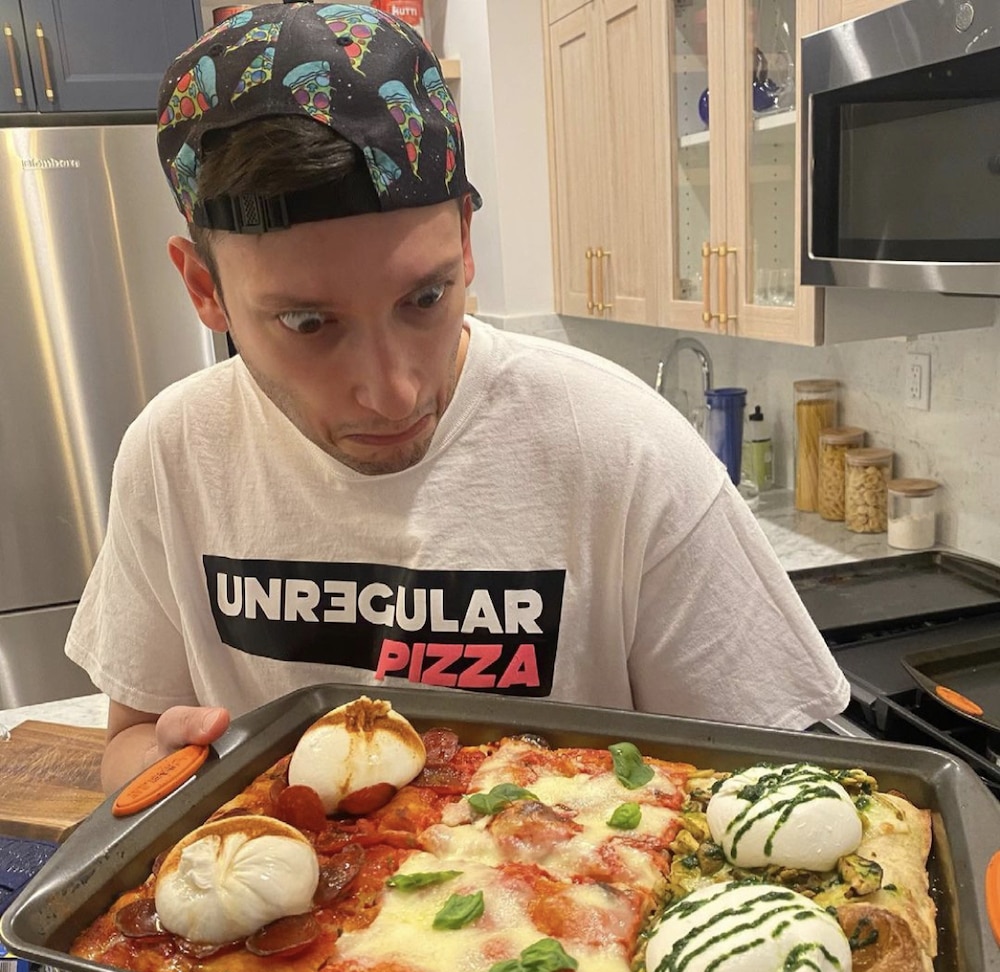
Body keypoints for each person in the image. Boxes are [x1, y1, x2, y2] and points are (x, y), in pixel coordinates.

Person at [66, 1, 849, 794]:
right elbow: (133, 739)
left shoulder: (623, 448)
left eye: (425, 298)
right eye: (308, 322)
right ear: (205, 290)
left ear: (467, 244)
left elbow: (776, 783)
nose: (394, 390)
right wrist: (173, 772)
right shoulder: (174, 451)